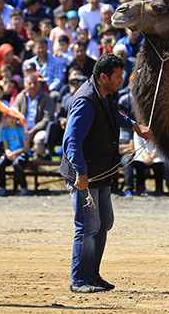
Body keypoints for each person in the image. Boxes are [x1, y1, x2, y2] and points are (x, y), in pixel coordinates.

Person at [59, 54, 153, 293]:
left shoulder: (105, 94)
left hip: (99, 173)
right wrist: (80, 173)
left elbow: (114, 116)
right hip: (85, 176)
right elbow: (71, 142)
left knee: (103, 224)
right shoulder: (85, 101)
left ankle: (92, 275)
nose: (122, 80)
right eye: (118, 76)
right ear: (103, 78)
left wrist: (135, 126)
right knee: (88, 226)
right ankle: (79, 280)